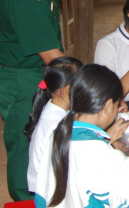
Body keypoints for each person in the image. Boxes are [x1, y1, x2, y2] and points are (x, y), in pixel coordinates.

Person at [0, 0, 76, 201]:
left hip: (35, 66)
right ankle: (24, 199)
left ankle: (44, 185)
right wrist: (90, 81)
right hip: (19, 75)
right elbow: (54, 58)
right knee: (23, 138)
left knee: (42, 132)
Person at [34, 64, 129, 208]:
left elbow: (40, 198)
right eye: (117, 106)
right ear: (108, 106)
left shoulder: (56, 136)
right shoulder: (107, 156)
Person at [25, 56, 82, 193]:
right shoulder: (57, 124)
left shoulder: (51, 107)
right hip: (50, 192)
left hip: (45, 185)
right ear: (66, 90)